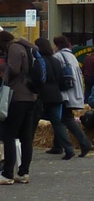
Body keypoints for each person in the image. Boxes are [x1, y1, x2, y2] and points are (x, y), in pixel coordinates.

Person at [0, 30, 38, 184]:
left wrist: (4, 71)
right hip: (31, 96)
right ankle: (23, 173)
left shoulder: (14, 48)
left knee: (9, 134)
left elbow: (14, 69)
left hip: (18, 96)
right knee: (26, 137)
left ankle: (8, 173)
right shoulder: (26, 46)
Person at [34, 38, 78, 160]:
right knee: (57, 123)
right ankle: (68, 148)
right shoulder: (55, 60)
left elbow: (38, 77)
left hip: (43, 94)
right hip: (56, 94)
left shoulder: (39, 61)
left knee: (33, 122)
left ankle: (25, 149)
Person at [51, 35, 92, 159]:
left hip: (65, 93)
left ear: (57, 45)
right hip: (74, 92)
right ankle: (58, 146)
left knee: (64, 119)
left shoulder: (58, 57)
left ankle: (83, 143)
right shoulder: (72, 56)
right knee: (64, 118)